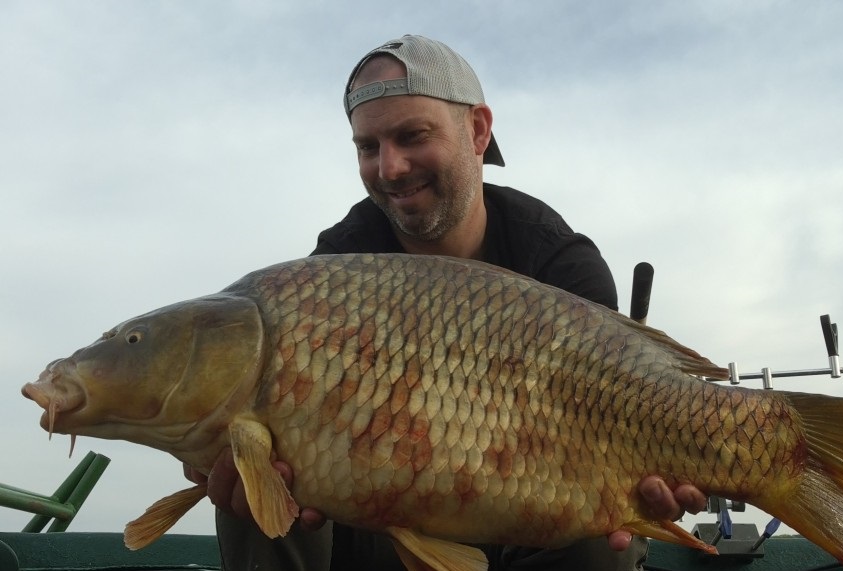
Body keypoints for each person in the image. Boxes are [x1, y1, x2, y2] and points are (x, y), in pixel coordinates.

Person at [188, 34, 707, 570]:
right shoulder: (336, 265)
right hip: (379, 516)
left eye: (412, 136)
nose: (389, 168)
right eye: (368, 148)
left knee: (607, 539)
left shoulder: (562, 266)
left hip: (529, 506)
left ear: (478, 130)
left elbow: (625, 418)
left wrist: (655, 478)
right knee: (251, 487)